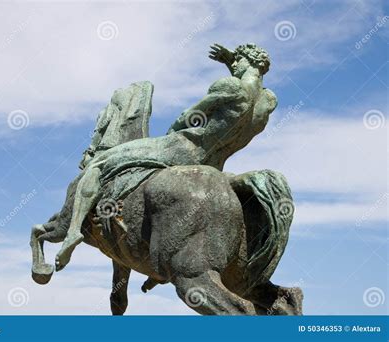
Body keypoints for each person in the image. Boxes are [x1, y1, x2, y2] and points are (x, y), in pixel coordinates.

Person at [55, 43, 277, 271]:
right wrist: (232, 61)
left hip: (183, 148)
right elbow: (242, 97)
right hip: (214, 162)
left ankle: (72, 232)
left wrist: (175, 128)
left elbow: (190, 116)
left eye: (238, 61)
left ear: (247, 61)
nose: (235, 64)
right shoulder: (266, 101)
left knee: (101, 163)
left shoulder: (230, 86)